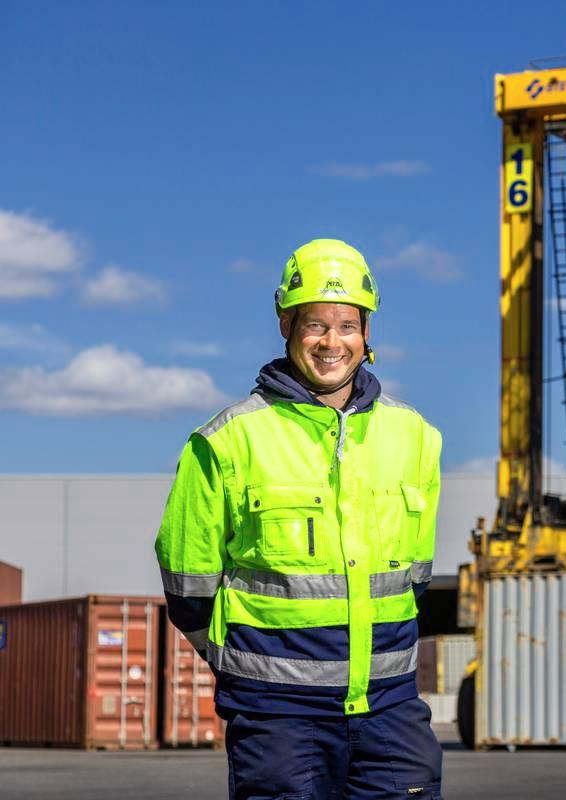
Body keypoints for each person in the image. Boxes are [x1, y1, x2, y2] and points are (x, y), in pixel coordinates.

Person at [155, 238, 443, 799]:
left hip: (390, 709)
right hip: (279, 717)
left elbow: (415, 580)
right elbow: (188, 589)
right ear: (286, 324)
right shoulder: (228, 440)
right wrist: (252, 669)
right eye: (315, 325)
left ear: (367, 333)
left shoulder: (416, 437)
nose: (332, 342)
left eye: (347, 325)